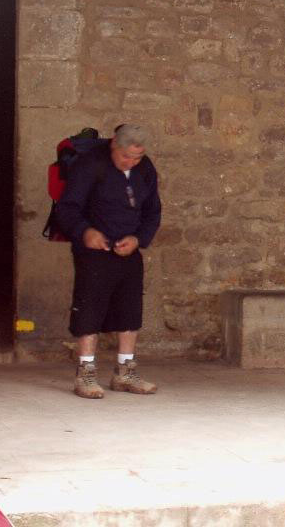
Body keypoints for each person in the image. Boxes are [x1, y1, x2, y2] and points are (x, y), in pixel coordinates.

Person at [56, 124, 162, 398]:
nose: (131, 162)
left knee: (130, 309)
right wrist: (85, 232)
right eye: (126, 156)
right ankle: (85, 374)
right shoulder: (89, 164)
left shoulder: (145, 168)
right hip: (93, 250)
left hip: (128, 249)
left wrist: (138, 239)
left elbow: (153, 210)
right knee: (89, 309)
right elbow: (67, 208)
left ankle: (125, 373)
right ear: (114, 144)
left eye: (137, 157)